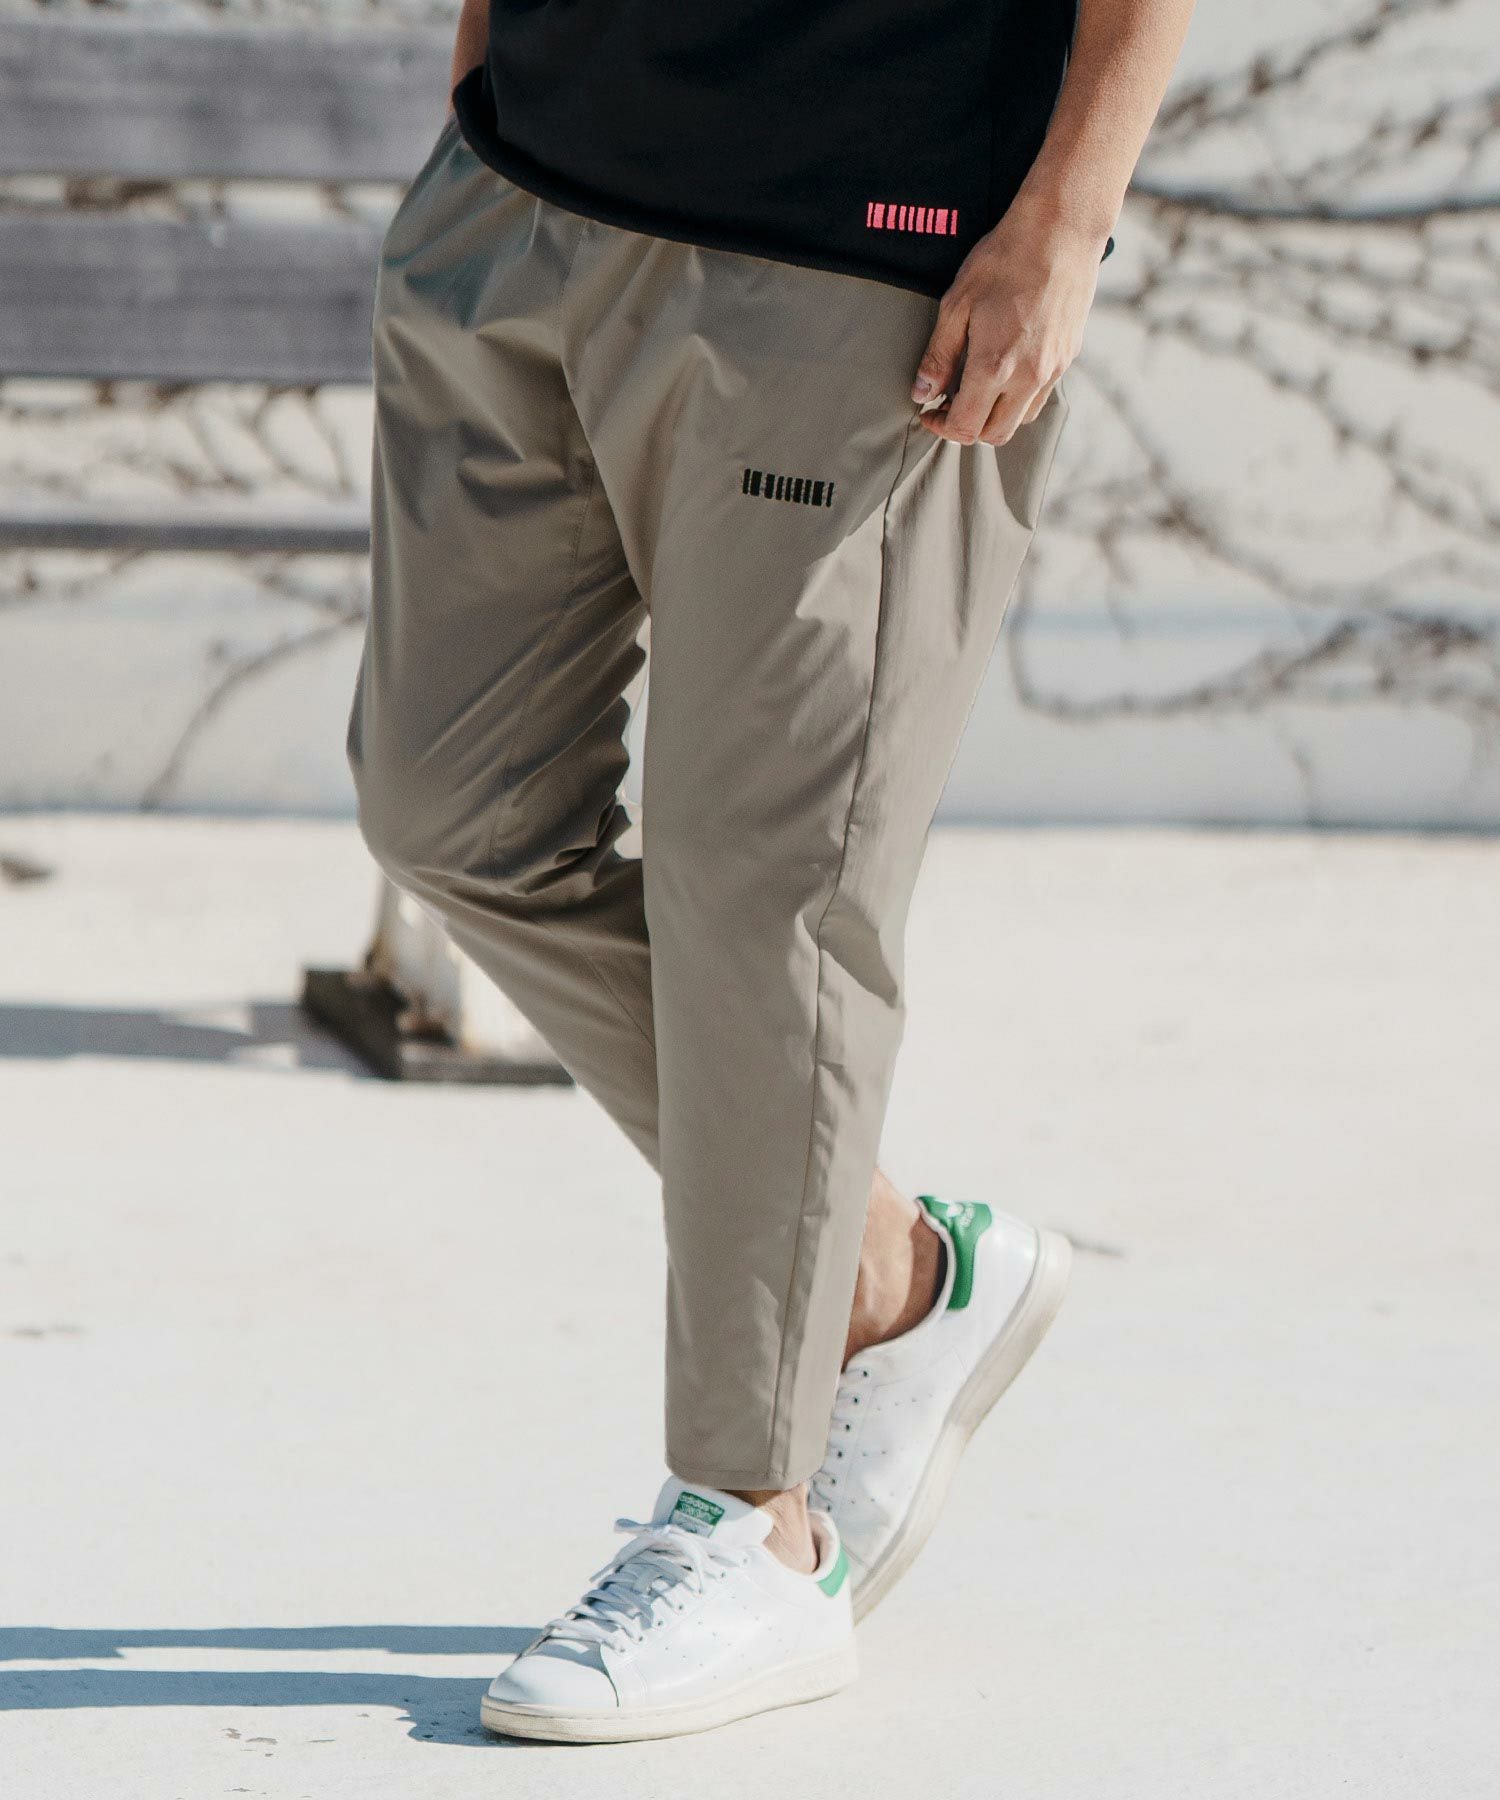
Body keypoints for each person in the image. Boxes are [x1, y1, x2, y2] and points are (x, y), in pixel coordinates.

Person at [348, 0, 1194, 1744]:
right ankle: (884, 1271)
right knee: (449, 814)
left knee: (766, 900)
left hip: (851, 249)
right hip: (526, 188)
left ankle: (755, 1522)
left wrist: (1065, 215)